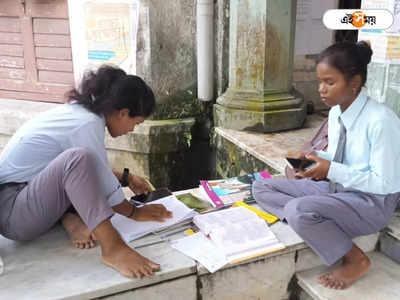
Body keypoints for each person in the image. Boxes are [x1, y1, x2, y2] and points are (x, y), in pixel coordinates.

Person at [0, 65, 173, 278]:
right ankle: (113, 249)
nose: (132, 130)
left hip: (24, 195)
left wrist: (127, 178)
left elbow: (93, 172)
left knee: (81, 165)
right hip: (14, 211)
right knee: (77, 160)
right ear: (123, 113)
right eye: (136, 123)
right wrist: (134, 212)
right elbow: (85, 170)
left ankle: (69, 219)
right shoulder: (86, 124)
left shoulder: (79, 112)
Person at [252, 41, 400, 290]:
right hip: (337, 190)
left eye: (329, 82)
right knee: (261, 187)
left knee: (299, 209)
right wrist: (313, 158)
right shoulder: (335, 113)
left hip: (371, 203)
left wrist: (331, 170)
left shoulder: (381, 121)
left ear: (354, 83)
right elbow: (337, 156)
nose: (321, 90)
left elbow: (387, 183)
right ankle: (313, 220)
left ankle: (355, 259)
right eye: (320, 81)